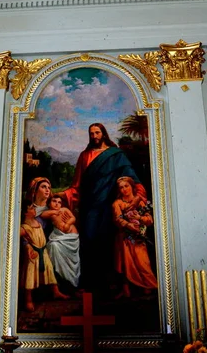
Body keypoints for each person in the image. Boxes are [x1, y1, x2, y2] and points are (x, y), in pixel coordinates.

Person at [61, 123, 148, 290]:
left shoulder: (116, 155)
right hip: (89, 207)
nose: (94, 136)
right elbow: (77, 186)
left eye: (97, 132)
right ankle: (89, 284)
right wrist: (63, 195)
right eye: (91, 133)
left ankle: (109, 284)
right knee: (89, 239)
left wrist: (138, 196)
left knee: (108, 241)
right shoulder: (84, 155)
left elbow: (131, 178)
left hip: (109, 206)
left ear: (103, 134)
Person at [112, 176, 157, 298]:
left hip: (138, 237)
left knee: (143, 262)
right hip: (124, 237)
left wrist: (140, 219)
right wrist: (128, 225)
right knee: (125, 263)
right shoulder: (117, 203)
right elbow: (118, 219)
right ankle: (126, 290)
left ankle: (148, 285)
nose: (124, 189)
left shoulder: (140, 202)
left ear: (132, 187)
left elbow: (149, 220)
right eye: (121, 187)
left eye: (126, 186)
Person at [20, 200, 69, 311]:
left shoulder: (38, 223)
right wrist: (27, 246)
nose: (34, 210)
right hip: (33, 254)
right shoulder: (24, 227)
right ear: (25, 213)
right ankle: (28, 299)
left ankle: (56, 292)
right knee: (30, 275)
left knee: (49, 271)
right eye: (31, 208)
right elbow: (17, 236)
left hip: (43, 251)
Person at [41, 195, 80, 288]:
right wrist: (54, 211)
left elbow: (73, 218)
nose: (57, 204)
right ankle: (62, 279)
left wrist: (68, 223)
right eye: (54, 201)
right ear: (49, 203)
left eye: (59, 202)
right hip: (59, 237)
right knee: (52, 246)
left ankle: (72, 283)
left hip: (71, 238)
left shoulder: (65, 209)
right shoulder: (50, 213)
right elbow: (43, 215)